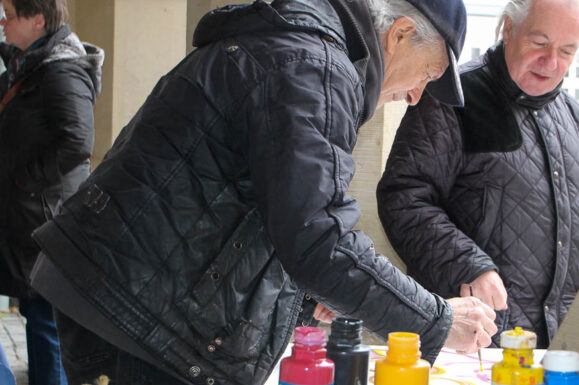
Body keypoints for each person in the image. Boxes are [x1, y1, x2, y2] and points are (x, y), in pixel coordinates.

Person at [28, 1, 497, 384]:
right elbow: (319, 240)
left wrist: (308, 297)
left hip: (129, 292)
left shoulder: (305, 52)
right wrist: (436, 320)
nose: (417, 95)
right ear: (397, 35)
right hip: (133, 309)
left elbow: (267, 211)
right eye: (429, 75)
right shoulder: (312, 64)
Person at [377, 0, 579, 348]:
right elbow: (402, 198)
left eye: (566, 51)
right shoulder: (455, 97)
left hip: (554, 347)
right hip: (476, 343)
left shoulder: (572, 114)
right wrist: (467, 264)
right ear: (508, 29)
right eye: (539, 44)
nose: (552, 63)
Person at [0, 0, 103, 384]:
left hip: (43, 216)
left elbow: (77, 142)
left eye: (10, 15)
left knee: (46, 320)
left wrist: (24, 180)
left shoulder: (61, 71)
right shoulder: (33, 64)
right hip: (29, 215)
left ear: (38, 20)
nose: (3, 22)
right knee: (39, 317)